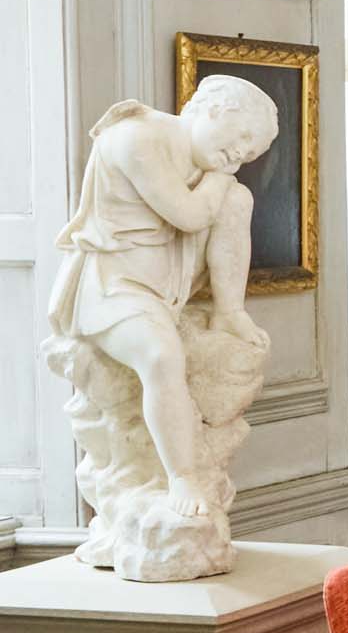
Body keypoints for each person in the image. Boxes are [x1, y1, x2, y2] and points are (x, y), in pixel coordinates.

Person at [46, 80, 278, 518]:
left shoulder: (201, 162)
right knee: (160, 357)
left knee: (236, 199)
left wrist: (225, 181)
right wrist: (221, 176)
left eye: (250, 154)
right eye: (242, 138)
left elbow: (205, 212)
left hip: (170, 275)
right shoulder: (135, 138)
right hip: (116, 284)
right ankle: (181, 476)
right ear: (213, 109)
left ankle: (229, 311)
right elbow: (189, 215)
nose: (240, 155)